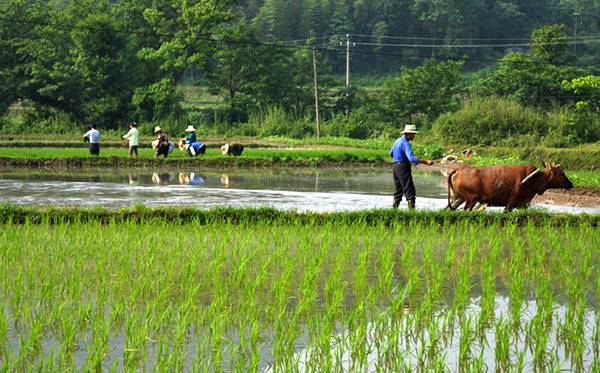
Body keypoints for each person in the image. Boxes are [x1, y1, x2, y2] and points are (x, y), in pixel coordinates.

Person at [389, 124, 434, 209]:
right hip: (403, 167)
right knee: (409, 191)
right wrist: (425, 162)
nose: (414, 136)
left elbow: (390, 153)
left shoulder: (397, 141)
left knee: (398, 191)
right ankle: (412, 214)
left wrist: (399, 158)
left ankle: (393, 211)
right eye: (413, 134)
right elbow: (412, 159)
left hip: (395, 167)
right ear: (408, 134)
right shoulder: (406, 143)